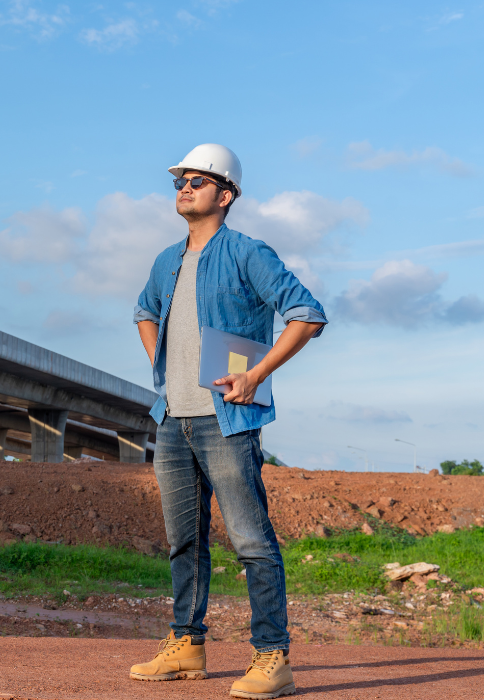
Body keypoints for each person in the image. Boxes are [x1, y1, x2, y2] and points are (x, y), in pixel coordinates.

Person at [128, 144, 327, 699]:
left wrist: (256, 372)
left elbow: (306, 314)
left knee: (251, 542)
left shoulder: (247, 253)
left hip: (228, 420)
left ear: (226, 194)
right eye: (179, 182)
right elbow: (144, 311)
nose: (184, 188)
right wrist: (161, 364)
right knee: (183, 541)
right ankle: (187, 646)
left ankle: (272, 657)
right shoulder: (167, 259)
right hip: (173, 419)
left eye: (197, 180)